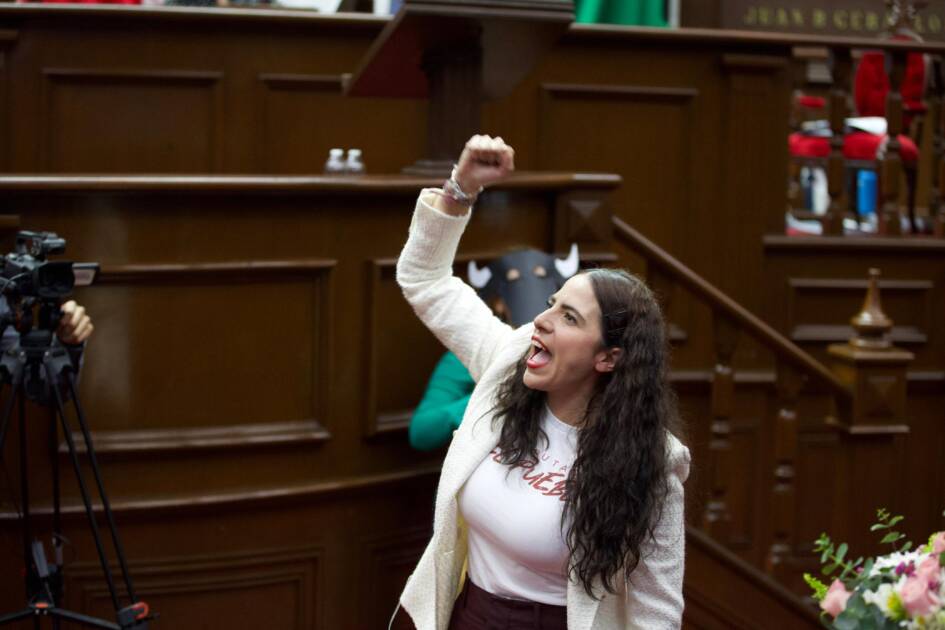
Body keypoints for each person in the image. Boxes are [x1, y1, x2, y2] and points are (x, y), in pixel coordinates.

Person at [394, 135, 690, 630]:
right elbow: (424, 279)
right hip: (468, 616)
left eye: (569, 317)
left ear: (608, 358)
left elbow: (656, 611)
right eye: (552, 304)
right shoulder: (506, 363)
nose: (541, 321)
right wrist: (461, 188)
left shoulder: (652, 460)